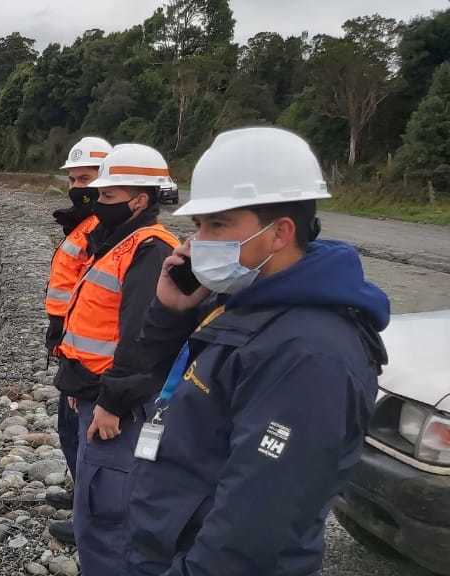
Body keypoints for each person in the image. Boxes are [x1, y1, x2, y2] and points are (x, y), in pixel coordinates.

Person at [124, 127, 389, 575]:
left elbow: (252, 532)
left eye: (219, 224)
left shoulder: (309, 355)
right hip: (166, 544)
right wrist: (172, 313)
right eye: (199, 225)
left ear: (280, 232)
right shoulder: (244, 300)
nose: (197, 242)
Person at [51, 143, 180, 575]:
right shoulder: (121, 242)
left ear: (140, 200)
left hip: (119, 409)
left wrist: (112, 402)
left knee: (108, 519)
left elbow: (143, 339)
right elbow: (98, 323)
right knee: (93, 514)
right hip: (95, 392)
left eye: (107, 196)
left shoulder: (150, 250)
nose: (97, 203)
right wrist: (80, 384)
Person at [45, 135, 113, 545]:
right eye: (72, 179)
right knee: (69, 431)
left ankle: (87, 515)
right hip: (73, 344)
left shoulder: (105, 231)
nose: (76, 188)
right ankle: (80, 498)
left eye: (84, 179)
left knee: (81, 434)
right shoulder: (86, 224)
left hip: (92, 354)